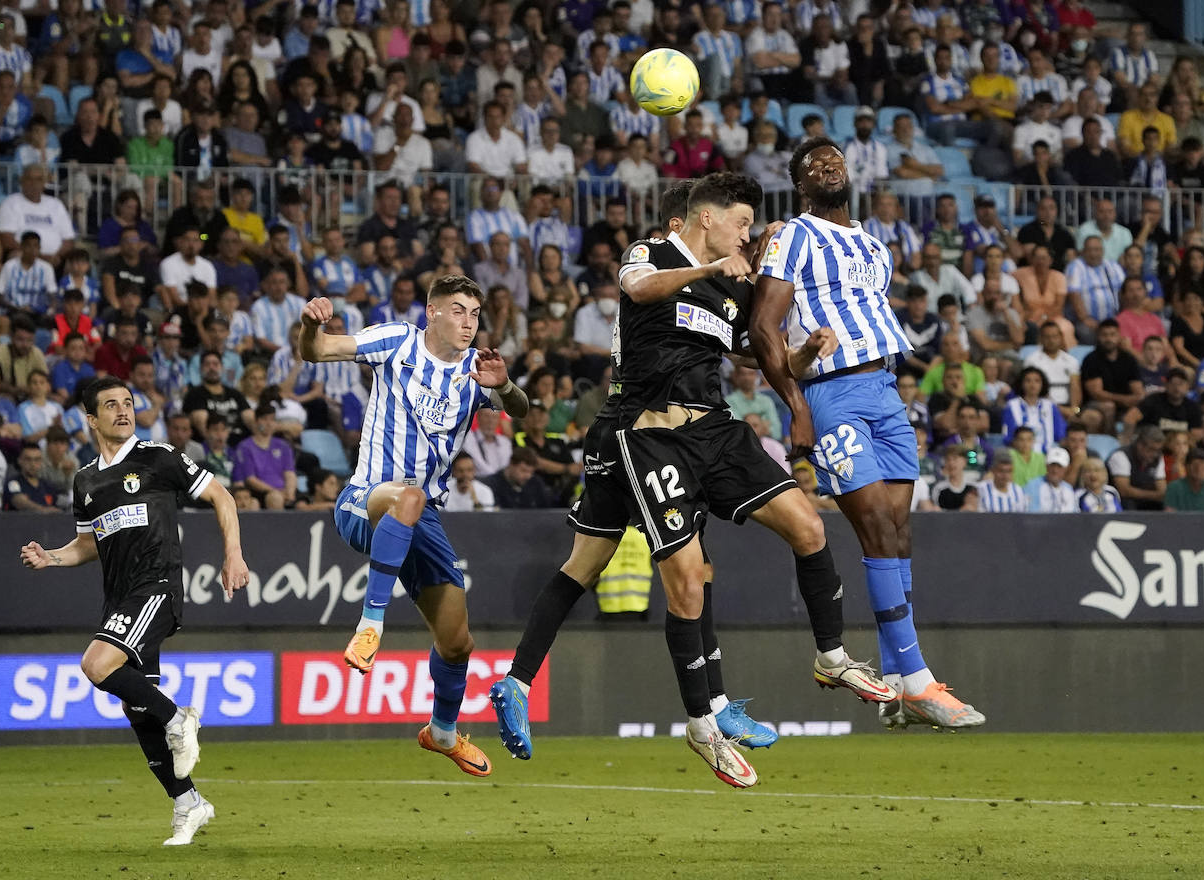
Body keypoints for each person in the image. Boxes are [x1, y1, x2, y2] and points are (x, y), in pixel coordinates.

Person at [489, 175, 889, 784]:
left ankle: (830, 658)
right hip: (644, 432)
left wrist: (804, 354)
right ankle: (704, 721)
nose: (747, 234)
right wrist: (711, 270)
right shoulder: (655, 253)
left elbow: (751, 356)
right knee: (667, 576)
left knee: (808, 526)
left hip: (715, 432)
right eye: (741, 223)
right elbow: (638, 287)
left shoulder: (728, 290)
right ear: (706, 220)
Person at [752, 137, 984, 731]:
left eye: (836, 159)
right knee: (877, 526)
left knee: (900, 532)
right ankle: (917, 680)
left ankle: (896, 682)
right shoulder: (792, 236)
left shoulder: (875, 249)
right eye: (814, 164)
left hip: (885, 388)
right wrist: (795, 404)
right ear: (801, 183)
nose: (829, 166)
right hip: (832, 393)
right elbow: (762, 326)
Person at [299, 274, 529, 778]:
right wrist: (307, 324)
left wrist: (506, 387)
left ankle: (442, 733)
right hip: (366, 501)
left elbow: (523, 412)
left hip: (421, 518)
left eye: (474, 313)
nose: (468, 323)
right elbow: (318, 351)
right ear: (432, 312)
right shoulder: (396, 341)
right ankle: (370, 625)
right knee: (409, 494)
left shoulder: (475, 370)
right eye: (457, 310)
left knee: (457, 641)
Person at [19, 376, 247, 844]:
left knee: (96, 663)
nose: (123, 411)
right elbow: (88, 543)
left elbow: (221, 496)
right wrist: (53, 557)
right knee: (138, 709)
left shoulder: (159, 459)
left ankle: (181, 719)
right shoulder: (85, 481)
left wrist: (234, 554)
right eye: (111, 405)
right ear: (91, 418)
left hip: (157, 586)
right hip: (120, 597)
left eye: (128, 403)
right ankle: (189, 804)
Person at [1107, 425, 1168, 510]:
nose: (1155, 454)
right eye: (1151, 449)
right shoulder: (1121, 455)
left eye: (1158, 450)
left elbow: (1162, 490)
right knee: (1128, 502)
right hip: (1122, 501)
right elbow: (1124, 491)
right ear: (1140, 445)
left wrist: (1157, 496)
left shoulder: (1157, 457)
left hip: (1145, 500)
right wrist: (1155, 495)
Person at [1165, 446, 1204, 511]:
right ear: (1186, 466)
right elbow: (1169, 515)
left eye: (1202, 464)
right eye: (1194, 464)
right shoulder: (1174, 487)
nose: (1198, 468)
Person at [1026, 446, 1078, 512]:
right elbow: (1031, 515)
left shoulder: (1068, 489)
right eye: (1052, 465)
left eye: (1059, 466)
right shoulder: (1033, 486)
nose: (1055, 470)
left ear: (1066, 469)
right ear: (1046, 466)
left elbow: (1075, 516)